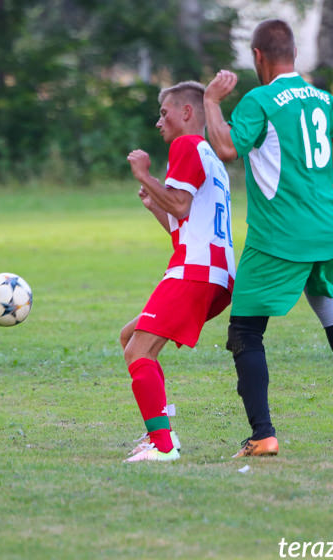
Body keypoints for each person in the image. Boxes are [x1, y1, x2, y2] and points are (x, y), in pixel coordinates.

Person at [203, 19, 333, 459]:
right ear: (295, 55)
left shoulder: (259, 100)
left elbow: (227, 148)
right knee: (325, 300)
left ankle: (262, 434)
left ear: (258, 56)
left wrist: (210, 102)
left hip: (279, 234)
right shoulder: (321, 98)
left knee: (245, 330)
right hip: (326, 227)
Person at [120, 81, 236, 463]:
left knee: (139, 350)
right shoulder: (212, 158)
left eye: (164, 112)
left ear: (187, 112)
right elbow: (182, 224)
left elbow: (182, 206)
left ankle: (163, 446)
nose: (159, 122)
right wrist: (156, 204)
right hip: (216, 273)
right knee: (130, 337)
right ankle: (160, 430)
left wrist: (144, 176)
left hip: (195, 270)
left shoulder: (185, 145)